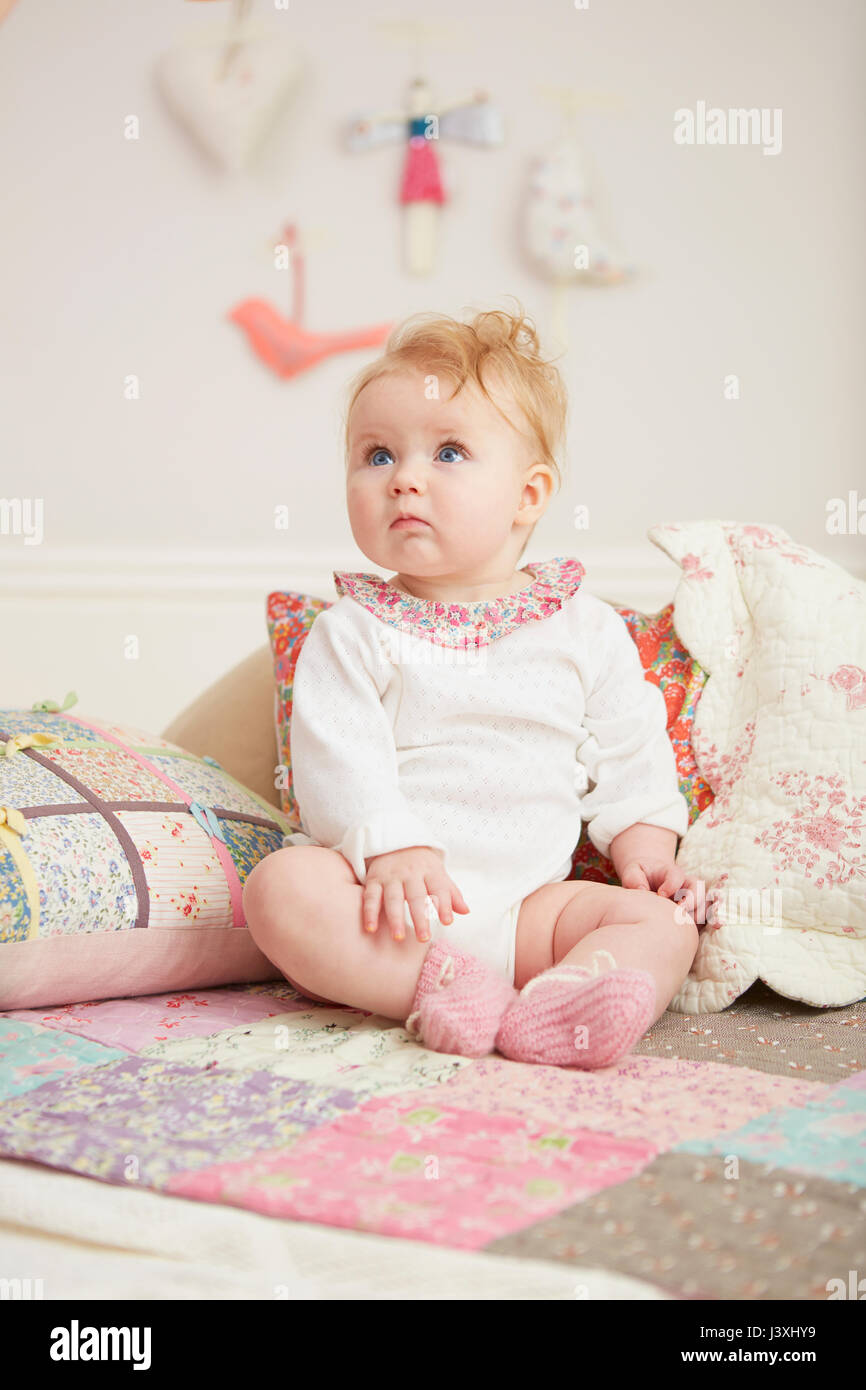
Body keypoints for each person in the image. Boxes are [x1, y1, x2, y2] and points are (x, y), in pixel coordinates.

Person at [243, 303, 702, 1069]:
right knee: (280, 889)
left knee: (667, 927)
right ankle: (435, 986)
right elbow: (336, 758)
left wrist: (647, 841)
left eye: (448, 453)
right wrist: (389, 845)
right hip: (386, 912)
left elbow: (631, 741)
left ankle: (565, 1002)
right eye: (377, 455)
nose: (405, 481)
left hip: (532, 913)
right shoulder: (354, 630)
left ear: (528, 495)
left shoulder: (582, 627)